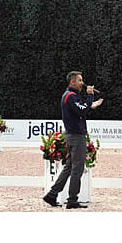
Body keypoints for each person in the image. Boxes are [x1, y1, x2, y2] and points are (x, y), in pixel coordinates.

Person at [43, 71, 103, 209]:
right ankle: (72, 200)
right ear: (72, 82)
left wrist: (90, 105)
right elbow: (81, 111)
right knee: (77, 169)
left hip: (72, 136)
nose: (82, 83)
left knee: (69, 167)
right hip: (76, 136)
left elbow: (80, 109)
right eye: (80, 80)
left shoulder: (70, 96)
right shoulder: (70, 96)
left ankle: (52, 194)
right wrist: (89, 96)